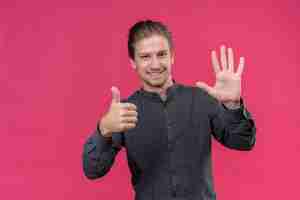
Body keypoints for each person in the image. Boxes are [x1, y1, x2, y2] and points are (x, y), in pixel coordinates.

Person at [82, 20, 256, 200]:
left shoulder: (201, 98)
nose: (155, 64)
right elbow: (93, 170)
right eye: (145, 57)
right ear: (133, 62)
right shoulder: (125, 112)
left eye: (161, 54)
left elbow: (243, 142)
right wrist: (103, 130)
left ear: (172, 56)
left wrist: (233, 106)